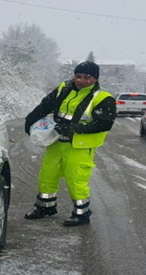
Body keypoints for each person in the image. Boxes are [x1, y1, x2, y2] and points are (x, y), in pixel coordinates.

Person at [24, 61, 116, 226]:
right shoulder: (64, 88)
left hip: (80, 145)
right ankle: (46, 207)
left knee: (76, 180)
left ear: (95, 79)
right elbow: (46, 105)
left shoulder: (103, 97)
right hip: (56, 140)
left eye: (87, 77)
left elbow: (104, 123)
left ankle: (82, 213)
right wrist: (30, 120)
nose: (81, 81)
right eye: (78, 76)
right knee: (47, 176)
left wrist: (75, 129)